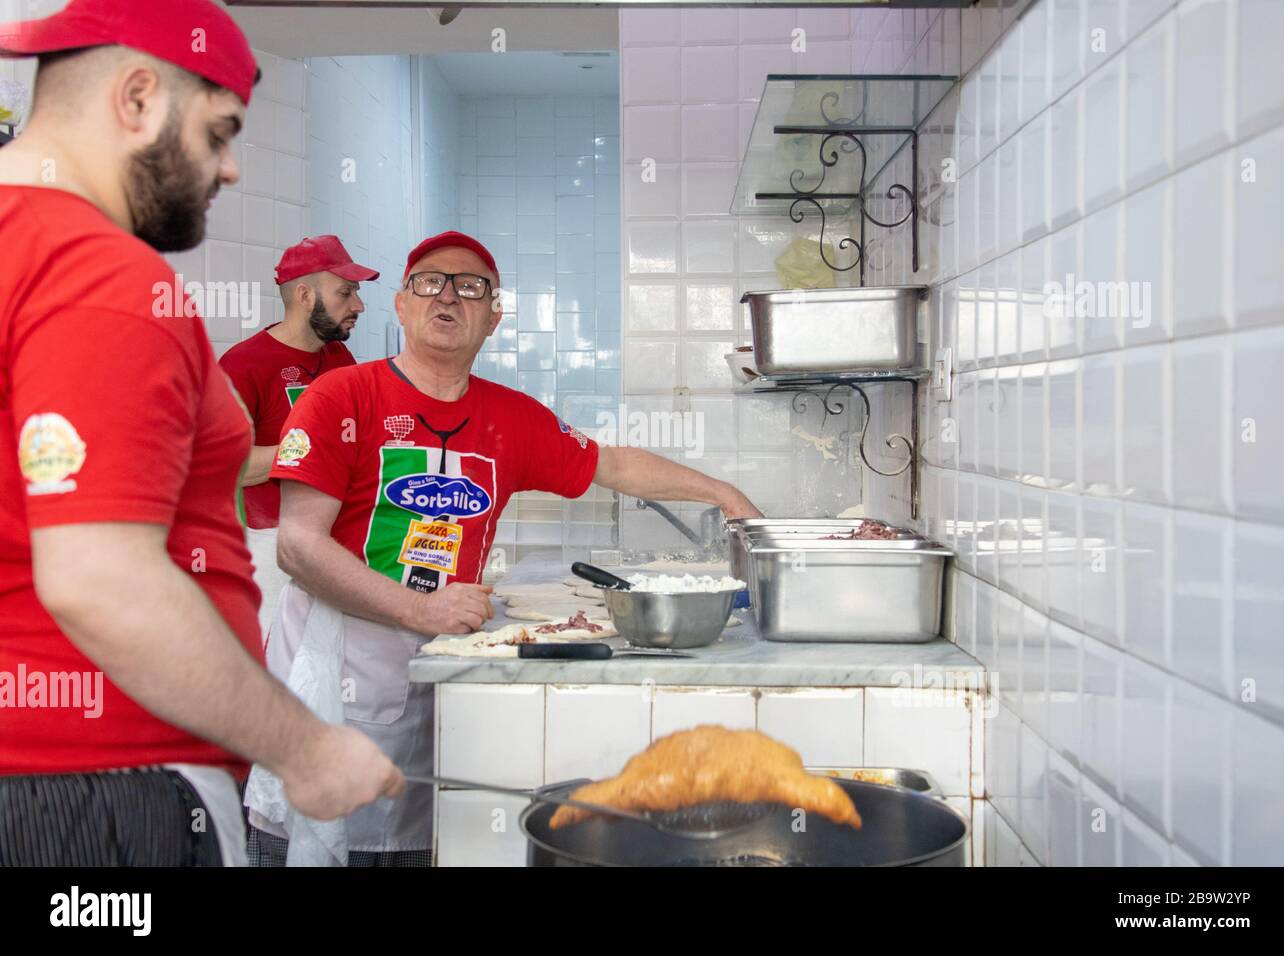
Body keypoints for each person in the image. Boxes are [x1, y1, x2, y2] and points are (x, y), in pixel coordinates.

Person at [0, 0, 400, 866]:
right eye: (219, 132)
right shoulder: (96, 273)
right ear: (138, 97)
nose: (230, 170)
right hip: (102, 793)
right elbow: (100, 578)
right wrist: (307, 749)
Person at [245, 230, 762, 865]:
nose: (449, 297)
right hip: (336, 660)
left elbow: (614, 466)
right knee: (309, 841)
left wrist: (722, 493)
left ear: (493, 318)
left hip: (442, 654)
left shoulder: (510, 418)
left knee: (420, 839)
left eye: (471, 288)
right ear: (403, 305)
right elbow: (298, 547)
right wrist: (416, 609)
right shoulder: (339, 398)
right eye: (430, 282)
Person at [220, 235, 377, 636]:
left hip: (338, 541)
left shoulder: (339, 358)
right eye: (345, 292)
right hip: (273, 548)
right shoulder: (243, 365)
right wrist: (312, 455)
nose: (358, 305)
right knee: (278, 671)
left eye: (356, 293)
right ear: (305, 295)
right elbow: (227, 466)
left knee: (329, 673)